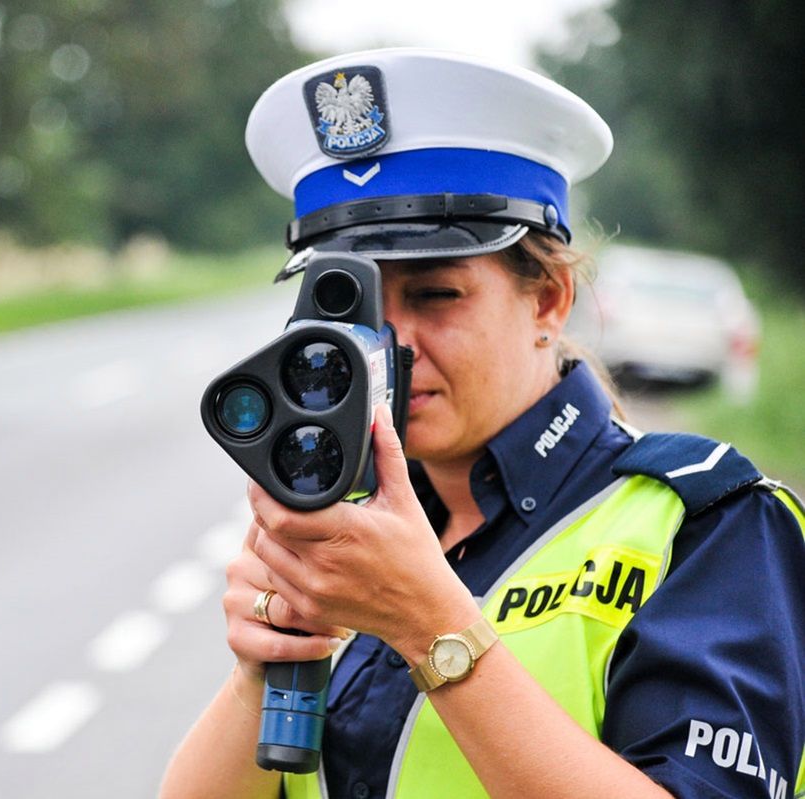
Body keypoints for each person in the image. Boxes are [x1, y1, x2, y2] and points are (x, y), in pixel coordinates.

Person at [160, 49, 805, 799]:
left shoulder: (706, 522)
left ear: (548, 300)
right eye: (348, 303)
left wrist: (430, 625)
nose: (387, 344)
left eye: (435, 292)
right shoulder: (358, 529)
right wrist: (261, 664)